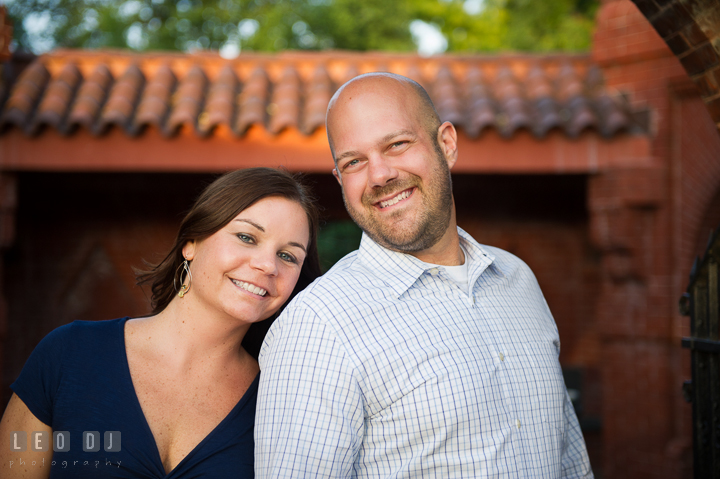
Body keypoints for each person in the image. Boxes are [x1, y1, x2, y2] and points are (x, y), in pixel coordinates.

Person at [255, 73, 593, 478]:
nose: (379, 176)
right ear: (340, 179)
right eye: (354, 162)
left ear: (446, 144)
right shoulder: (318, 324)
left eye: (396, 144)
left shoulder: (516, 279)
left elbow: (569, 459)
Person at [0, 167, 321, 478]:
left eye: (288, 256)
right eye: (246, 237)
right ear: (191, 243)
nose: (267, 265)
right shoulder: (67, 355)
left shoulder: (280, 398)